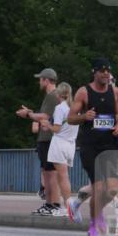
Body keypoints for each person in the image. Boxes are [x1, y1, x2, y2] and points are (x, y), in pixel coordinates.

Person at [66, 58, 118, 236]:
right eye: (102, 71)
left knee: (113, 189)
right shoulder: (84, 92)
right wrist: (84, 116)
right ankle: (92, 228)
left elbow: (116, 115)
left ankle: (97, 213)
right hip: (91, 147)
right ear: (95, 72)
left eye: (108, 70)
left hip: (110, 146)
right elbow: (70, 118)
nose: (106, 74)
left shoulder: (114, 91)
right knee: (98, 189)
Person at [16, 68, 62, 215]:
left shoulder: (52, 96)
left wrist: (28, 114)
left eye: (40, 79)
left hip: (48, 140)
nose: (39, 82)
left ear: (46, 80)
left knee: (49, 174)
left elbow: (44, 116)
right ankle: (51, 205)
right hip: (49, 139)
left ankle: (52, 205)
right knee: (49, 173)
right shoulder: (55, 96)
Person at [43, 82, 76, 217]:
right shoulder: (76, 108)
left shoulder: (60, 108)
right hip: (71, 144)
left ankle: (67, 207)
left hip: (59, 143)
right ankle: (68, 206)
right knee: (65, 176)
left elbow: (56, 128)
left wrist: (47, 125)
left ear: (58, 94)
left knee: (62, 177)